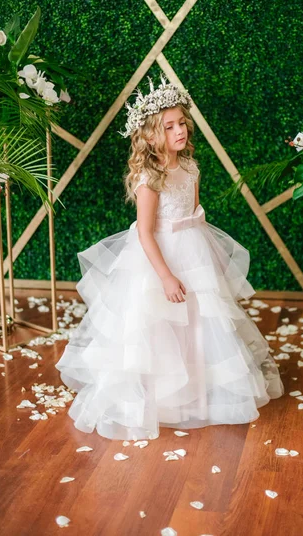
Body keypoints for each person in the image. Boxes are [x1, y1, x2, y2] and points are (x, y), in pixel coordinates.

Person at [55, 74, 284, 441]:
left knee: (197, 322)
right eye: (170, 126)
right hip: (157, 258)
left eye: (182, 123)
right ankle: (161, 397)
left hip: (193, 251)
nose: (180, 131)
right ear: (150, 135)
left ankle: (195, 392)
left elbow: (194, 215)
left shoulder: (191, 168)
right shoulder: (150, 178)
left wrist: (208, 262)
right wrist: (164, 275)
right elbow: (145, 232)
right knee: (158, 327)